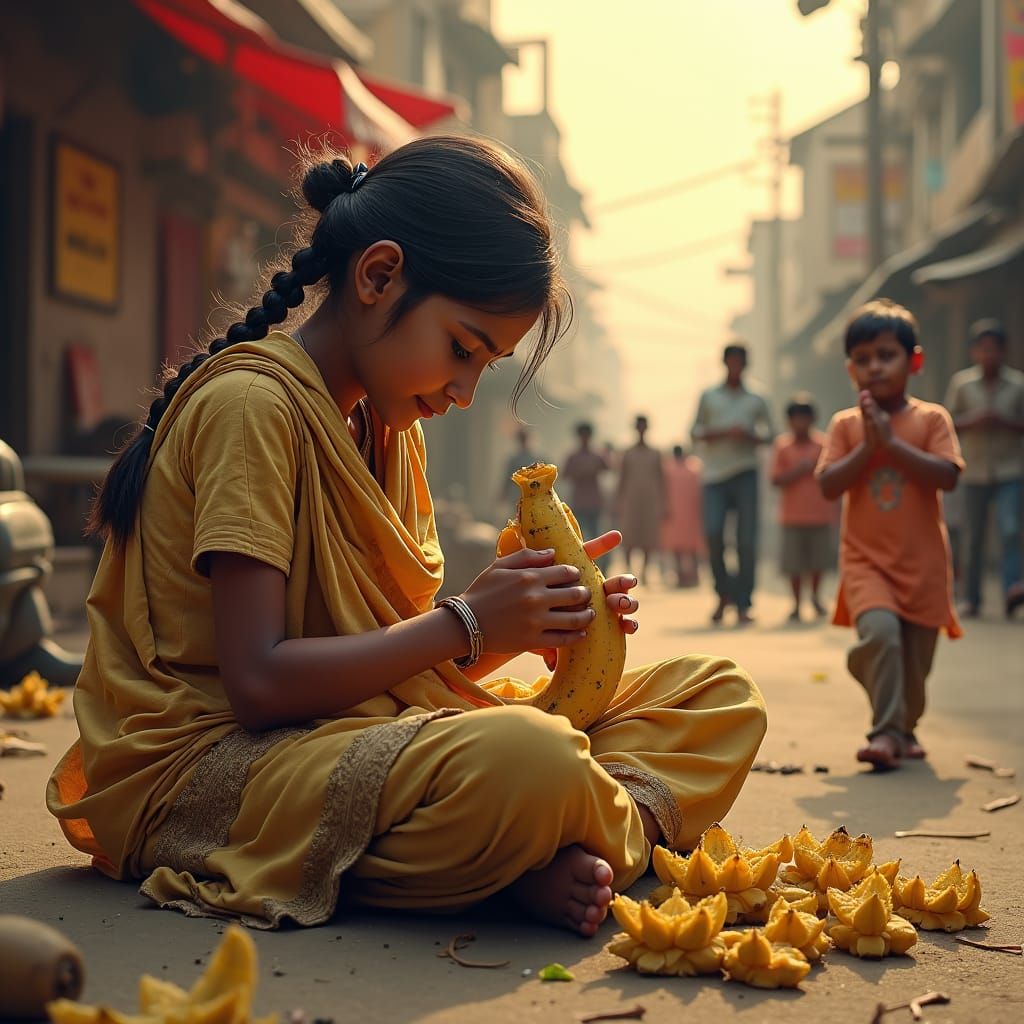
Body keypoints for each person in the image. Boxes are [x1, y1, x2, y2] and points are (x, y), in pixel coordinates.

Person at [46, 137, 766, 937]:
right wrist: (469, 622)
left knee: (718, 694)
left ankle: (534, 845)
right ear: (378, 275)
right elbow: (258, 684)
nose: (462, 390)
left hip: (355, 739)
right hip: (222, 769)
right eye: (462, 348)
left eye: (484, 366)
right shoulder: (252, 406)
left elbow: (386, 660)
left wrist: (532, 626)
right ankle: (565, 846)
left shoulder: (390, 430)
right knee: (532, 760)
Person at [816, 299, 963, 771]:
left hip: (923, 565)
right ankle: (884, 732)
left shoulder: (932, 419)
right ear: (849, 369)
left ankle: (904, 727)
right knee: (880, 635)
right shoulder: (845, 425)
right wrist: (869, 446)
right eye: (862, 359)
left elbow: (947, 475)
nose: (874, 366)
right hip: (866, 561)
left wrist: (893, 444)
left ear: (913, 361)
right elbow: (828, 484)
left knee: (916, 669)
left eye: (886, 355)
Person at [943, 320, 1024, 619]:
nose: (989, 355)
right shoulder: (962, 385)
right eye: (984, 349)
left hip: (1010, 470)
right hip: (973, 470)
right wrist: (974, 420)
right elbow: (949, 422)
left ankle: (1012, 591)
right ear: (975, 352)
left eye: (995, 349)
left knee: (1010, 530)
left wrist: (1003, 421)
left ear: (1004, 351)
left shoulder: (1018, 385)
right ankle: (971, 598)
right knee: (972, 536)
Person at [691, 343, 773, 625]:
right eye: (731, 362)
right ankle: (722, 592)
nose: (735, 367)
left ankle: (743, 601)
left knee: (746, 541)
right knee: (713, 534)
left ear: (745, 365)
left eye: (740, 362)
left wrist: (749, 435)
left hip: (746, 473)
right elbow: (695, 430)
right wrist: (723, 432)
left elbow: (770, 434)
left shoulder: (757, 398)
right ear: (725, 363)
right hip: (714, 475)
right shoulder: (709, 396)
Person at [770, 394, 836, 621]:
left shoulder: (824, 444)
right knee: (794, 564)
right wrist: (799, 470)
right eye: (796, 418)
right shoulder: (782, 446)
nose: (801, 423)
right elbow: (775, 480)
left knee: (819, 561)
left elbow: (833, 474)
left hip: (820, 513)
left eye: (804, 418)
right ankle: (797, 603)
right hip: (792, 515)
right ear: (789, 421)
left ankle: (816, 597)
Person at [615, 415, 666, 585]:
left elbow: (661, 480)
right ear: (635, 428)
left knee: (648, 538)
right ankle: (629, 570)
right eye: (639, 426)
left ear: (647, 428)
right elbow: (621, 479)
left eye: (644, 426)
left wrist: (664, 503)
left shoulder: (655, 453)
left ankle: (644, 571)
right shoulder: (627, 453)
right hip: (631, 500)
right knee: (628, 536)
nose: (641, 429)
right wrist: (618, 502)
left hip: (650, 501)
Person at [660, 445, 704, 587]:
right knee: (679, 546)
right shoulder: (670, 469)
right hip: (678, 513)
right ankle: (683, 576)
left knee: (691, 547)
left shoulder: (693, 468)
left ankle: (692, 576)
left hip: (687, 512)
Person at [561, 421, 609, 543]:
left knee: (596, 536)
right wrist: (580, 473)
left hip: (594, 502)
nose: (584, 438)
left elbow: (608, 468)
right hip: (579, 502)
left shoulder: (597, 455)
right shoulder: (572, 457)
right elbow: (564, 475)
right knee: (578, 536)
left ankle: (597, 561)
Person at [497, 426, 538, 520]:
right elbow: (507, 479)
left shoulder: (536, 458)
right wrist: (502, 494)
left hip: (534, 496)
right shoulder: (514, 460)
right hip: (517, 496)